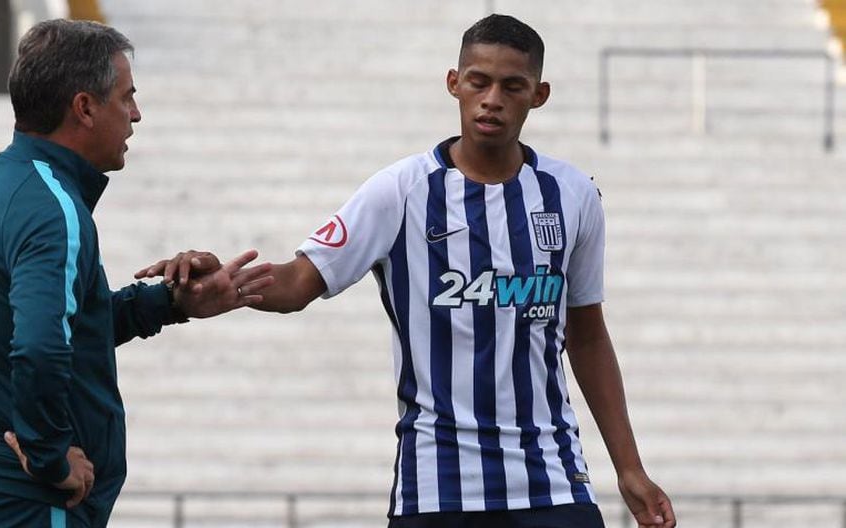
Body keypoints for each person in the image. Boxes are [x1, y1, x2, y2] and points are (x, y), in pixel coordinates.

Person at [210, 14, 673, 528]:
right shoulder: (401, 190)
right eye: (479, 81)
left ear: (538, 95)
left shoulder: (572, 195)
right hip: (436, 489)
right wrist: (219, 285)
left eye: (511, 86)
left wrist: (629, 468)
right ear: (454, 83)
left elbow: (586, 335)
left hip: (553, 481)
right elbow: (299, 282)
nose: (492, 99)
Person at [0, 19, 273, 528]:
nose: (136, 114)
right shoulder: (49, 206)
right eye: (126, 97)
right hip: (28, 504)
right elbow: (39, 348)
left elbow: (54, 331)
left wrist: (172, 302)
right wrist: (50, 459)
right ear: (85, 107)